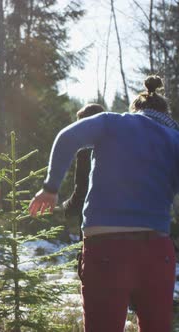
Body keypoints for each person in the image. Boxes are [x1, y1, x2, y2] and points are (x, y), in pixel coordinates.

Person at [29, 75, 179, 331]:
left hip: (106, 248)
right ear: (165, 113)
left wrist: (50, 188)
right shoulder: (174, 138)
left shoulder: (111, 122)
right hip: (157, 250)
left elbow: (67, 137)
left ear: (135, 109)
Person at [61, 104, 105, 240]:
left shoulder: (85, 151)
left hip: (94, 224)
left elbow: (82, 192)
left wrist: (65, 209)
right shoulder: (119, 146)